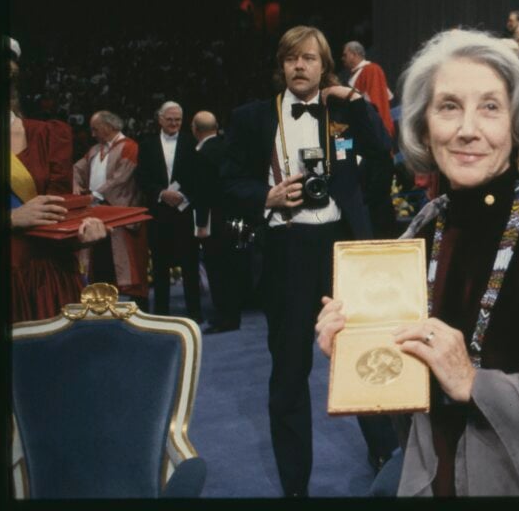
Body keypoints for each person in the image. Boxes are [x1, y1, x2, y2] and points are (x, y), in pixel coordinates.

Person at [315, 29, 519, 495]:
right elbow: (408, 392)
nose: (467, 129)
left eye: (490, 107)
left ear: (516, 124)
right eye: (448, 106)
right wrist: (361, 354)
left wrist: (476, 384)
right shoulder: (420, 233)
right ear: (424, 126)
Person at [221, 25, 394, 497]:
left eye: (310, 59)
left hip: (343, 250)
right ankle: (295, 485)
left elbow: (384, 154)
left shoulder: (344, 111)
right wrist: (267, 195)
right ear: (281, 66)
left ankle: (386, 455)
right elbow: (229, 181)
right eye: (292, 58)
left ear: (324, 67)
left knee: (364, 357)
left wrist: (358, 103)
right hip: (287, 250)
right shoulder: (252, 118)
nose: (300, 66)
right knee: (290, 370)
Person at [9, 55, 108, 322]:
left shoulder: (48, 135)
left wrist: (81, 233)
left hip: (46, 282)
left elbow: (58, 216)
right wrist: (11, 219)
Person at [72, 109, 151, 306]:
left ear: (108, 127)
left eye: (95, 129)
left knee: (128, 264)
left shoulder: (130, 147)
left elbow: (121, 179)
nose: (92, 134)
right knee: (100, 262)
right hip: (96, 211)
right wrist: (76, 188)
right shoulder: (94, 150)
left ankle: (137, 306)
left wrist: (95, 195)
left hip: (121, 213)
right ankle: (103, 302)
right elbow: (76, 168)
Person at [137, 101, 202, 321]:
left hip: (185, 211)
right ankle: (162, 314)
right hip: (158, 212)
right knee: (160, 265)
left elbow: (199, 175)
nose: (174, 123)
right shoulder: (146, 145)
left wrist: (183, 196)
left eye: (178, 120)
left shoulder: (192, 142)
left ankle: (194, 312)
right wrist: (162, 193)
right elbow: (142, 179)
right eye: (170, 119)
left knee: (190, 264)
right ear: (160, 120)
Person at [191, 110, 242, 333]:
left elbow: (203, 192)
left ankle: (226, 317)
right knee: (233, 267)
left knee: (218, 269)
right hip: (236, 216)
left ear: (194, 129)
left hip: (214, 219)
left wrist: (201, 224)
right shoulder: (229, 147)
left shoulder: (202, 154)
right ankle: (233, 313)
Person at [340, 40, 395, 138]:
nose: (342, 58)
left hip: (373, 131)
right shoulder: (357, 73)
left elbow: (376, 101)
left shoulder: (372, 70)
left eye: (345, 55)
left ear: (354, 54)